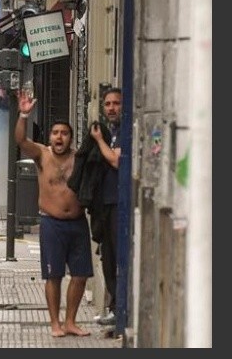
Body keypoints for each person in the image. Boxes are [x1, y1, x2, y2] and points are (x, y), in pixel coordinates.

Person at [15, 88, 92, 338]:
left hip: (78, 223)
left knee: (80, 276)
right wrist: (24, 115)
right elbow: (21, 141)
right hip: (52, 224)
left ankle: (70, 321)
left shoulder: (78, 158)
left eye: (65, 134)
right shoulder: (42, 155)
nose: (60, 137)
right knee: (54, 275)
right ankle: (55, 323)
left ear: (71, 138)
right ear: (50, 137)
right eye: (56, 133)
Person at [91, 87, 122, 328]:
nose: (111, 108)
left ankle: (119, 309)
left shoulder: (121, 133)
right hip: (104, 204)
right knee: (107, 257)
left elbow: (115, 160)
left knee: (118, 256)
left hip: (119, 204)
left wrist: (99, 140)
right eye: (108, 104)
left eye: (116, 103)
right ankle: (114, 308)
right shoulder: (108, 132)